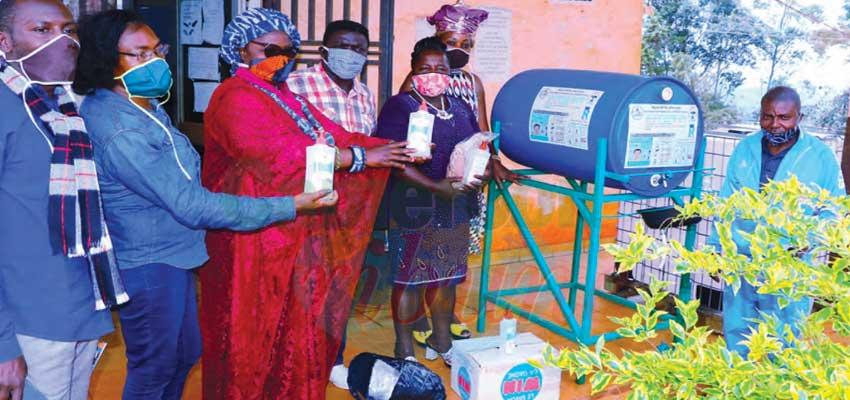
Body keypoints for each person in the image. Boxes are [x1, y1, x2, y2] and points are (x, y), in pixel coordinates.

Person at [72, 10, 337, 399]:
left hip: (174, 252)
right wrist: (290, 204)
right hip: (147, 261)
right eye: (139, 54)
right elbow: (190, 205)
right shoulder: (119, 127)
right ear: (105, 59)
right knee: (155, 364)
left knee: (183, 354)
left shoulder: (140, 103)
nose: (155, 62)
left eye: (156, 51)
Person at [199, 8, 413, 399]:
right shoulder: (232, 96)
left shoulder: (285, 96)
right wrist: (360, 159)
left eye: (288, 50)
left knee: (292, 327)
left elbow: (334, 133)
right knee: (250, 333)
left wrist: (392, 148)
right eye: (269, 48)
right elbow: (279, 155)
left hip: (291, 233)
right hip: (250, 238)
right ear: (242, 49)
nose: (280, 57)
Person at [0, 1, 117, 399]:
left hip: (80, 307)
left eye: (68, 29)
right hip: (29, 321)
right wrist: (3, 345)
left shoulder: (63, 109)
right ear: (5, 42)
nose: (63, 41)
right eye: (42, 30)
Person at [400, 1, 522, 347]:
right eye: (450, 42)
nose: (458, 51)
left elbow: (482, 130)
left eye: (466, 45)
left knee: (454, 252)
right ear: (437, 41)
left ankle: (445, 313)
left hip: (464, 183)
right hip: (428, 181)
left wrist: (495, 162)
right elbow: (404, 122)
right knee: (425, 250)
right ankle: (421, 315)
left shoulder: (473, 82)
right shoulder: (418, 80)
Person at [709, 86, 844, 358]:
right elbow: (726, 202)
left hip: (789, 264)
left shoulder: (820, 156)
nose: (775, 124)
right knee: (737, 332)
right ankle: (736, 385)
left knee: (784, 340)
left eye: (784, 117)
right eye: (767, 116)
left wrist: (810, 240)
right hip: (743, 260)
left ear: (799, 117)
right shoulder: (745, 148)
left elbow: (834, 210)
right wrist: (715, 247)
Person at [377, 36, 485, 365]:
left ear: (451, 73)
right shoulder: (401, 106)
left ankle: (442, 342)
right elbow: (395, 161)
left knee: (446, 278)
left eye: (440, 68)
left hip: (454, 206)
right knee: (409, 279)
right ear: (413, 71)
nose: (433, 74)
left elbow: (474, 143)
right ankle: (405, 349)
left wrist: (482, 167)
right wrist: (438, 187)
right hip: (413, 206)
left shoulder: (461, 106)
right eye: (425, 68)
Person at [287, 19, 378, 390]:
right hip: (307, 202)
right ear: (324, 49)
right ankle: (296, 358)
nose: (350, 55)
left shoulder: (366, 95)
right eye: (343, 46)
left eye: (358, 49)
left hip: (350, 210)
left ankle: (332, 358)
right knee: (302, 284)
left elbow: (367, 152)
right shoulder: (297, 85)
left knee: (340, 286)